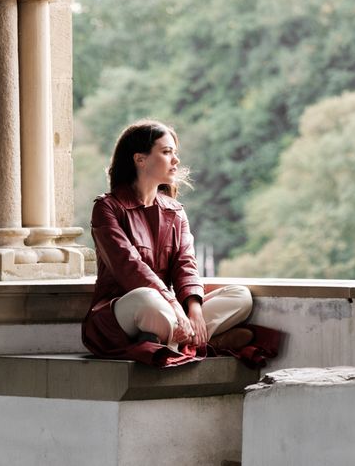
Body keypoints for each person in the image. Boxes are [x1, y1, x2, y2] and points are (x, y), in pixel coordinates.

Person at [82, 119, 254, 367]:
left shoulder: (175, 211)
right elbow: (129, 268)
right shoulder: (107, 208)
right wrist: (173, 305)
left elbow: (186, 263)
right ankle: (202, 342)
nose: (176, 160)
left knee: (241, 296)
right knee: (148, 300)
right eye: (166, 152)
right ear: (140, 159)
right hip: (125, 311)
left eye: (175, 152)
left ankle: (178, 340)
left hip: (167, 313)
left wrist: (193, 309)